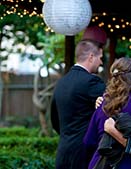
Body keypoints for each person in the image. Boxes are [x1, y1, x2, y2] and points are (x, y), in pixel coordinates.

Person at [50, 39, 106, 169]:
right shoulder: (92, 82)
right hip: (85, 155)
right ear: (91, 57)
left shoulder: (61, 83)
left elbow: (54, 120)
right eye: (100, 58)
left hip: (63, 153)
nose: (101, 62)